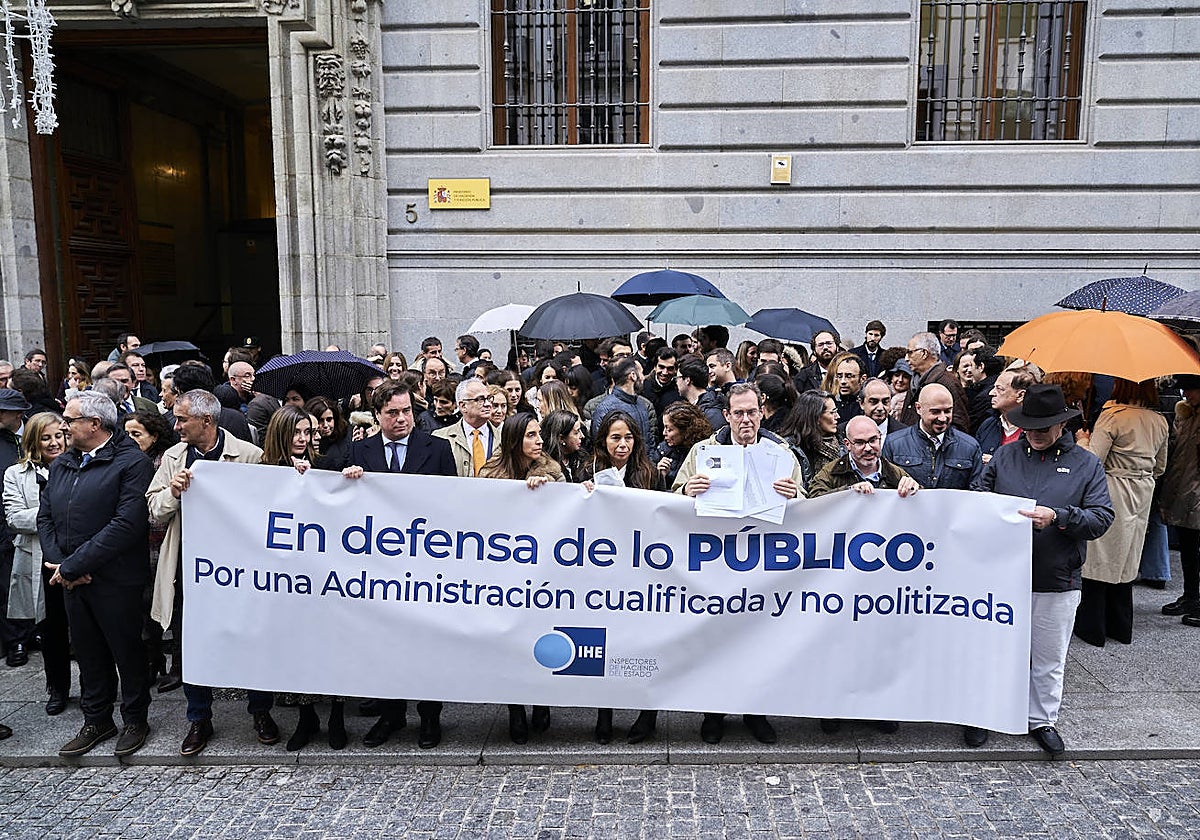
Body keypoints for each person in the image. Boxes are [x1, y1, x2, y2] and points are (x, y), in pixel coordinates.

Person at [973, 384, 1113, 755]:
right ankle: (984, 713)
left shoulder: (1087, 464)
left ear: (1060, 426)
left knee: (1048, 657)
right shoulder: (1005, 457)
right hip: (1001, 576)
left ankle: (1042, 719)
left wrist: (1060, 518)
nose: (1035, 434)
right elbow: (979, 499)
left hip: (1056, 577)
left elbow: (1101, 518)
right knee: (993, 650)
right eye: (1029, 427)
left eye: (1043, 428)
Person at [145, 389, 279, 756]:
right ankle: (199, 717)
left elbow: (271, 507)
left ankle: (261, 711)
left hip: (242, 572)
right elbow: (154, 511)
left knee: (252, 639)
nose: (176, 425)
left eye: (182, 419)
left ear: (206, 420)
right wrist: (173, 492)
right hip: (191, 571)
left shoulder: (249, 456)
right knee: (193, 643)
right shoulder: (173, 458)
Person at [675, 383, 803, 746]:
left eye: (752, 412)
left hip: (763, 565)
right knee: (716, 637)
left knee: (757, 639)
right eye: (739, 413)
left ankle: (755, 711)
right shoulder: (703, 451)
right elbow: (672, 499)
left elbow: (808, 512)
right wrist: (688, 490)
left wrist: (796, 496)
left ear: (761, 412)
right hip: (716, 561)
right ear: (727, 415)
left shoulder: (780, 454)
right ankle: (713, 711)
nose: (746, 419)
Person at [39, 392, 156, 758]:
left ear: (94, 424)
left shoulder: (131, 463)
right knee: (87, 652)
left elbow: (126, 524)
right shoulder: (63, 464)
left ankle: (135, 718)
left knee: (126, 650)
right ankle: (97, 718)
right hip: (71, 577)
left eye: (70, 420)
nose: (63, 426)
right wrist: (61, 563)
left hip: (115, 578)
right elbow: (46, 517)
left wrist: (76, 565)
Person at [342, 380, 456, 748]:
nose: (402, 418)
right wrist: (348, 481)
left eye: (407, 411)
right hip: (379, 569)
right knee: (383, 643)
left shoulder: (437, 449)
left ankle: (429, 716)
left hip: (426, 565)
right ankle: (391, 715)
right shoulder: (359, 451)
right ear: (377, 415)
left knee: (426, 643)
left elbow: (456, 504)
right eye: (392, 413)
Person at [476, 412, 563, 743]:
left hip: (541, 574)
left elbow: (566, 513)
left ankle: (541, 699)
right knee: (509, 641)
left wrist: (545, 493)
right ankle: (515, 707)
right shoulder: (490, 476)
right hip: (503, 573)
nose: (539, 440)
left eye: (539, 434)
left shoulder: (552, 472)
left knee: (539, 637)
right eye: (530, 435)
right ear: (514, 440)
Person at [1073, 378, 1169, 647]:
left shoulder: (1112, 416)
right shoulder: (1159, 420)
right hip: (1143, 489)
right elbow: (1160, 466)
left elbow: (1093, 460)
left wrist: (1082, 440)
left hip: (1113, 487)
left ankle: (1093, 626)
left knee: (1100, 556)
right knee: (1128, 557)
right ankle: (1120, 625)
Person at [4, 412, 73, 716]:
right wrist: (54, 516)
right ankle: (57, 688)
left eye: (59, 435)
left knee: (86, 631)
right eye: (46, 437)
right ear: (34, 440)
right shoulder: (15, 475)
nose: (54, 442)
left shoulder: (77, 465)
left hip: (76, 558)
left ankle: (98, 689)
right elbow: (15, 518)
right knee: (52, 629)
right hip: (39, 561)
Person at [123, 409, 181, 693]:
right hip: (135, 545)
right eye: (127, 434)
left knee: (166, 602)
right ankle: (152, 658)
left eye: (137, 434)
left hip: (161, 542)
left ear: (154, 435)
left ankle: (176, 665)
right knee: (144, 606)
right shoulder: (125, 462)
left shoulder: (164, 462)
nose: (131, 439)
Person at [881, 383, 983, 490]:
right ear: (918, 408)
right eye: (935, 412)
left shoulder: (969, 447)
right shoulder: (894, 444)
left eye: (948, 411)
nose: (943, 418)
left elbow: (977, 492)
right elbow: (885, 488)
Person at [1160, 374, 1200, 625]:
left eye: (1191, 389)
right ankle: (1191, 595)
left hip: (1195, 490)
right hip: (1185, 489)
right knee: (1188, 547)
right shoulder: (1187, 414)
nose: (1186, 393)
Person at [809, 416, 920, 499]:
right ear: (847, 444)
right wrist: (848, 492)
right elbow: (813, 499)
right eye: (860, 442)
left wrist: (915, 488)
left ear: (880, 438)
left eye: (872, 440)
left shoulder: (895, 473)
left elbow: (922, 503)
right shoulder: (832, 472)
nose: (868, 448)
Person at [0, 388, 32, 667]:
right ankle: (16, 639)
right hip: (6, 523)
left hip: (38, 522)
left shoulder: (35, 433)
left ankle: (36, 631)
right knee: (8, 582)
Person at [899, 332, 969, 432]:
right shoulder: (915, 381)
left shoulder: (948, 382)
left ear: (924, 353)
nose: (906, 358)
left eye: (910, 352)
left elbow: (959, 424)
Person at [434, 379, 501, 477]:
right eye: (480, 399)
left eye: (489, 398)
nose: (488, 404)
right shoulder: (441, 437)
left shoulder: (504, 438)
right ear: (463, 406)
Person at [975, 366, 1039, 461]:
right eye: (994, 387)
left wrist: (997, 464)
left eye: (999, 389)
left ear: (1021, 395)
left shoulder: (1038, 431)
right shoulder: (988, 425)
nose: (991, 393)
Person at [779, 390, 841, 482]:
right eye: (832, 413)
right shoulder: (791, 450)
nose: (838, 416)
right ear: (816, 417)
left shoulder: (839, 442)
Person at [653, 402, 713, 495]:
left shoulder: (703, 451)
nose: (664, 433)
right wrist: (660, 476)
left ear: (685, 430)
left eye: (669, 429)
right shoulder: (662, 450)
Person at [591, 358, 654, 445]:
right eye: (641, 373)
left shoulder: (642, 405)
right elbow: (600, 445)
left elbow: (648, 442)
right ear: (633, 375)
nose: (643, 377)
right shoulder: (606, 408)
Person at [674, 355, 726, 431]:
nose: (676, 382)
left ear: (687, 380)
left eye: (677, 378)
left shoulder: (712, 413)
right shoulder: (698, 407)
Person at [540, 410, 587, 483]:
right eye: (576, 433)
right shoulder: (545, 467)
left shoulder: (582, 459)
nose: (582, 436)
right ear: (561, 439)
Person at [306, 396, 352, 469]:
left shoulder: (346, 436)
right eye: (320, 420)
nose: (325, 425)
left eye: (329, 419)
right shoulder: (304, 441)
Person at [821, 352, 866, 422]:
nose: (843, 381)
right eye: (839, 376)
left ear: (862, 379)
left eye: (849, 376)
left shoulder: (868, 405)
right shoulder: (832, 405)